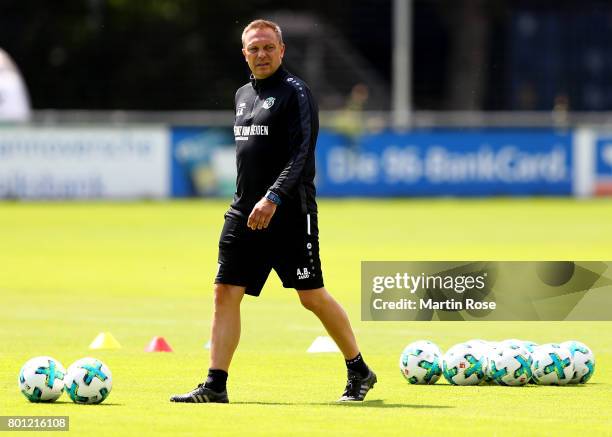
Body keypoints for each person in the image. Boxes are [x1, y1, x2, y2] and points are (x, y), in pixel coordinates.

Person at [170, 19, 376, 404]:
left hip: (290, 212)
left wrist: (274, 197)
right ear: (244, 53)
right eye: (254, 48)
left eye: (268, 47)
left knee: (310, 296)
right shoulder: (242, 95)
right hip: (243, 212)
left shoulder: (297, 93)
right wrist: (253, 199)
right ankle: (215, 385)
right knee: (224, 292)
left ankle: (359, 369)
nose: (261, 54)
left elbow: (301, 154)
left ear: (281, 50)